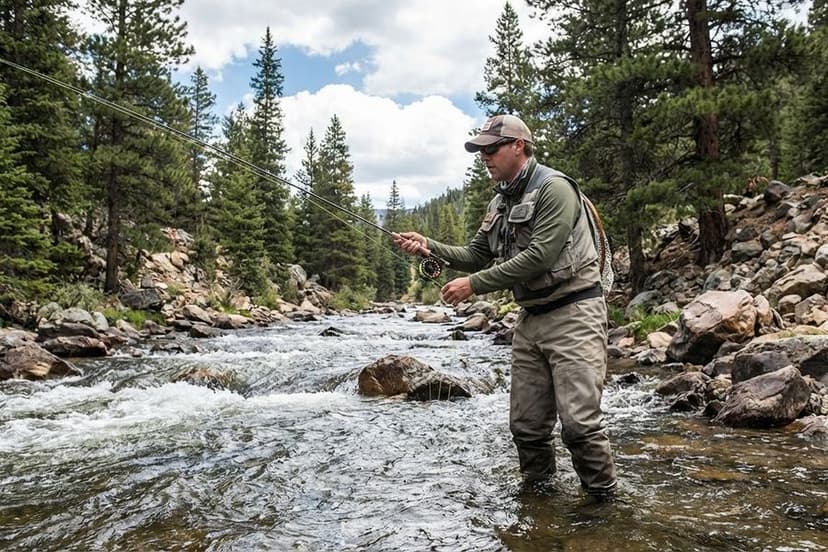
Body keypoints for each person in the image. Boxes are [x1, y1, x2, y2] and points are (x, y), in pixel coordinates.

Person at [393, 114, 617, 499]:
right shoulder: (500, 201)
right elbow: (476, 254)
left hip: (575, 314)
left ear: (519, 146)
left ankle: (604, 507)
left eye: (491, 148)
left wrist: (474, 286)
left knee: (579, 426)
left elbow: (541, 256)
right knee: (527, 428)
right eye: (480, 150)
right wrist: (429, 246)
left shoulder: (555, 188)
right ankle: (540, 499)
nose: (484, 156)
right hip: (531, 320)